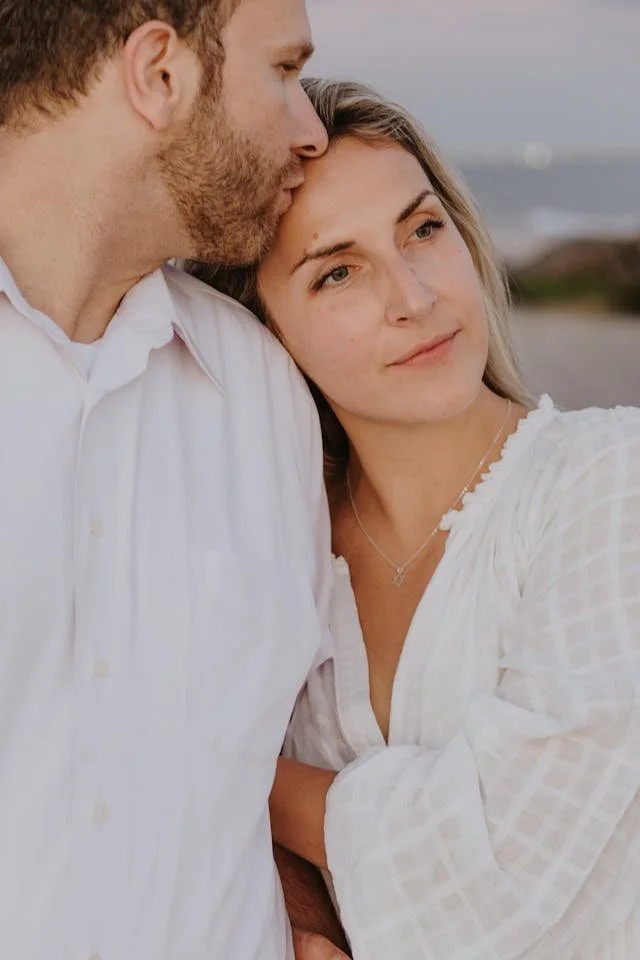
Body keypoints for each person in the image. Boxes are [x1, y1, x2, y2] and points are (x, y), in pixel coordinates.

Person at [192, 78, 640, 959]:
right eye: (338, 272)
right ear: (265, 334)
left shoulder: (609, 480)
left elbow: (503, 863)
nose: (414, 297)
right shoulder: (273, 563)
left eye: (422, 229)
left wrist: (242, 780)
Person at [0, 2, 349, 957]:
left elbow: (271, 749)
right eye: (283, 72)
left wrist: (310, 922)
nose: (310, 128)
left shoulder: (263, 389)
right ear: (159, 72)